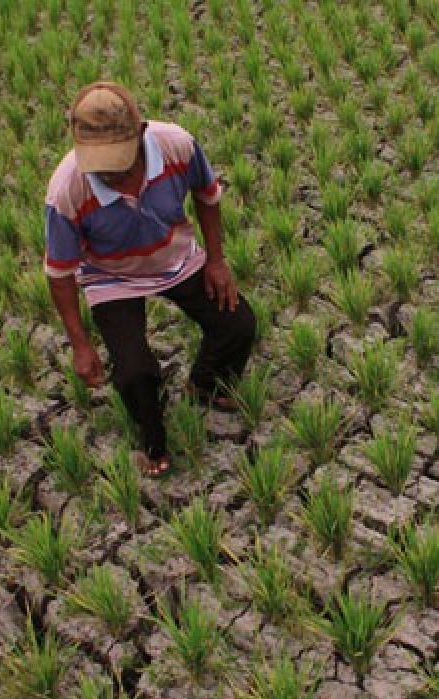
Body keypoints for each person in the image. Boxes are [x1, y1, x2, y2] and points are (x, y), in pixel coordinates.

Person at [43, 81, 256, 478]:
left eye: (118, 159)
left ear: (140, 134)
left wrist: (216, 261)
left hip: (175, 255)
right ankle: (153, 444)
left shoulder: (177, 145)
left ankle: (205, 385)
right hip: (112, 276)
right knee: (135, 375)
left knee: (238, 324)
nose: (110, 171)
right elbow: (60, 274)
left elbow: (207, 196)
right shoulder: (66, 189)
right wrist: (80, 344)